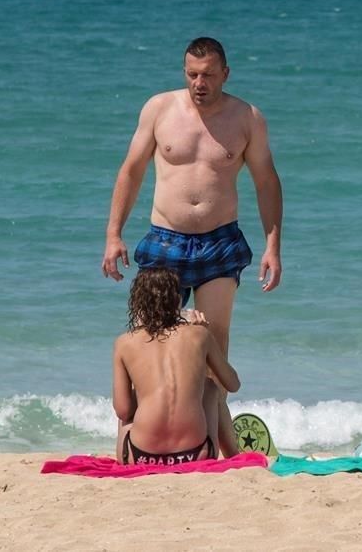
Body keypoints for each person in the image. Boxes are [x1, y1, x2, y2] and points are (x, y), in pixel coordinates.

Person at [101, 36, 282, 457]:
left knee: (212, 356)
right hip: (164, 240)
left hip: (220, 243)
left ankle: (220, 455)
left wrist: (273, 245)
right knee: (146, 345)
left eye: (208, 75)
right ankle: (128, 452)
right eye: (192, 74)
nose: (199, 83)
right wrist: (114, 234)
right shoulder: (159, 109)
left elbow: (267, 181)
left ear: (226, 74)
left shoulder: (247, 118)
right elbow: (131, 171)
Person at [113, 267, 241, 465]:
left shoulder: (125, 342)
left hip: (139, 456)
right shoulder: (199, 335)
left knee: (137, 393)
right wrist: (204, 342)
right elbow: (233, 384)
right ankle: (235, 456)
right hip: (196, 454)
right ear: (178, 300)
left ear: (138, 304)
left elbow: (122, 411)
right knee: (210, 387)